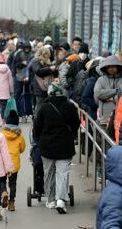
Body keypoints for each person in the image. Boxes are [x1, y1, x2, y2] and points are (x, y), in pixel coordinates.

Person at [33, 82, 80, 214]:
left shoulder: (43, 108)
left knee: (49, 173)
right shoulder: (70, 107)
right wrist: (70, 135)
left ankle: (51, 199)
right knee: (62, 173)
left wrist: (38, 138)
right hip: (65, 145)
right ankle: (61, 199)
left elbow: (37, 128)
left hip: (47, 145)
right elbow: (76, 124)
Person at [94, 55, 122, 127]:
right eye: (109, 67)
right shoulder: (101, 80)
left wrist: (110, 98)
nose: (111, 69)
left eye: (113, 66)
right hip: (104, 119)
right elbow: (98, 94)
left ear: (118, 67)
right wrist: (116, 91)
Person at [1, 110, 26, 211]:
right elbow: (22, 149)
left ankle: (3, 192)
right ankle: (11, 203)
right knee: (13, 183)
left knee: (1, 180)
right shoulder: (20, 136)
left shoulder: (1, 134)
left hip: (2, 162)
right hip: (14, 164)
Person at [31, 46, 57, 112]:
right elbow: (38, 71)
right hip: (39, 87)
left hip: (47, 87)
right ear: (43, 54)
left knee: (46, 106)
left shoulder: (47, 61)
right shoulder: (36, 61)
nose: (49, 56)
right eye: (47, 54)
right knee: (39, 106)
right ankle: (37, 120)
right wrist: (50, 69)